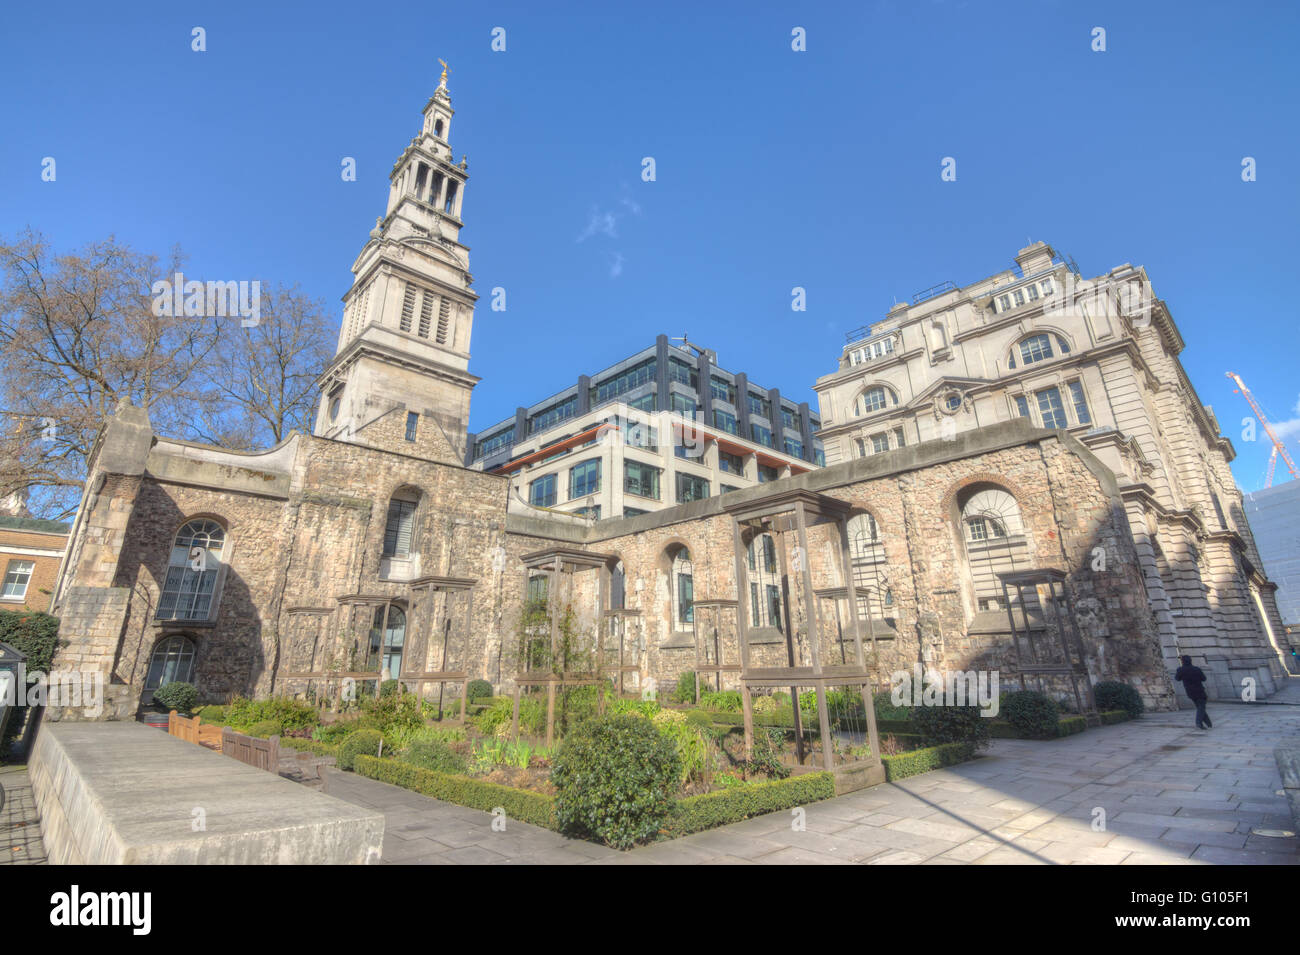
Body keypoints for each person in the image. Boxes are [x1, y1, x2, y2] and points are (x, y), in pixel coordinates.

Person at [1173, 655, 1212, 729]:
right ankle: (1199, 722)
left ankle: (1208, 723)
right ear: (1190, 661)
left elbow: (1177, 678)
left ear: (1182, 662)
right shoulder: (1196, 669)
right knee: (1201, 706)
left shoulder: (1181, 670)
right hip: (1199, 690)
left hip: (1190, 691)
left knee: (1200, 706)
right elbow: (1204, 679)